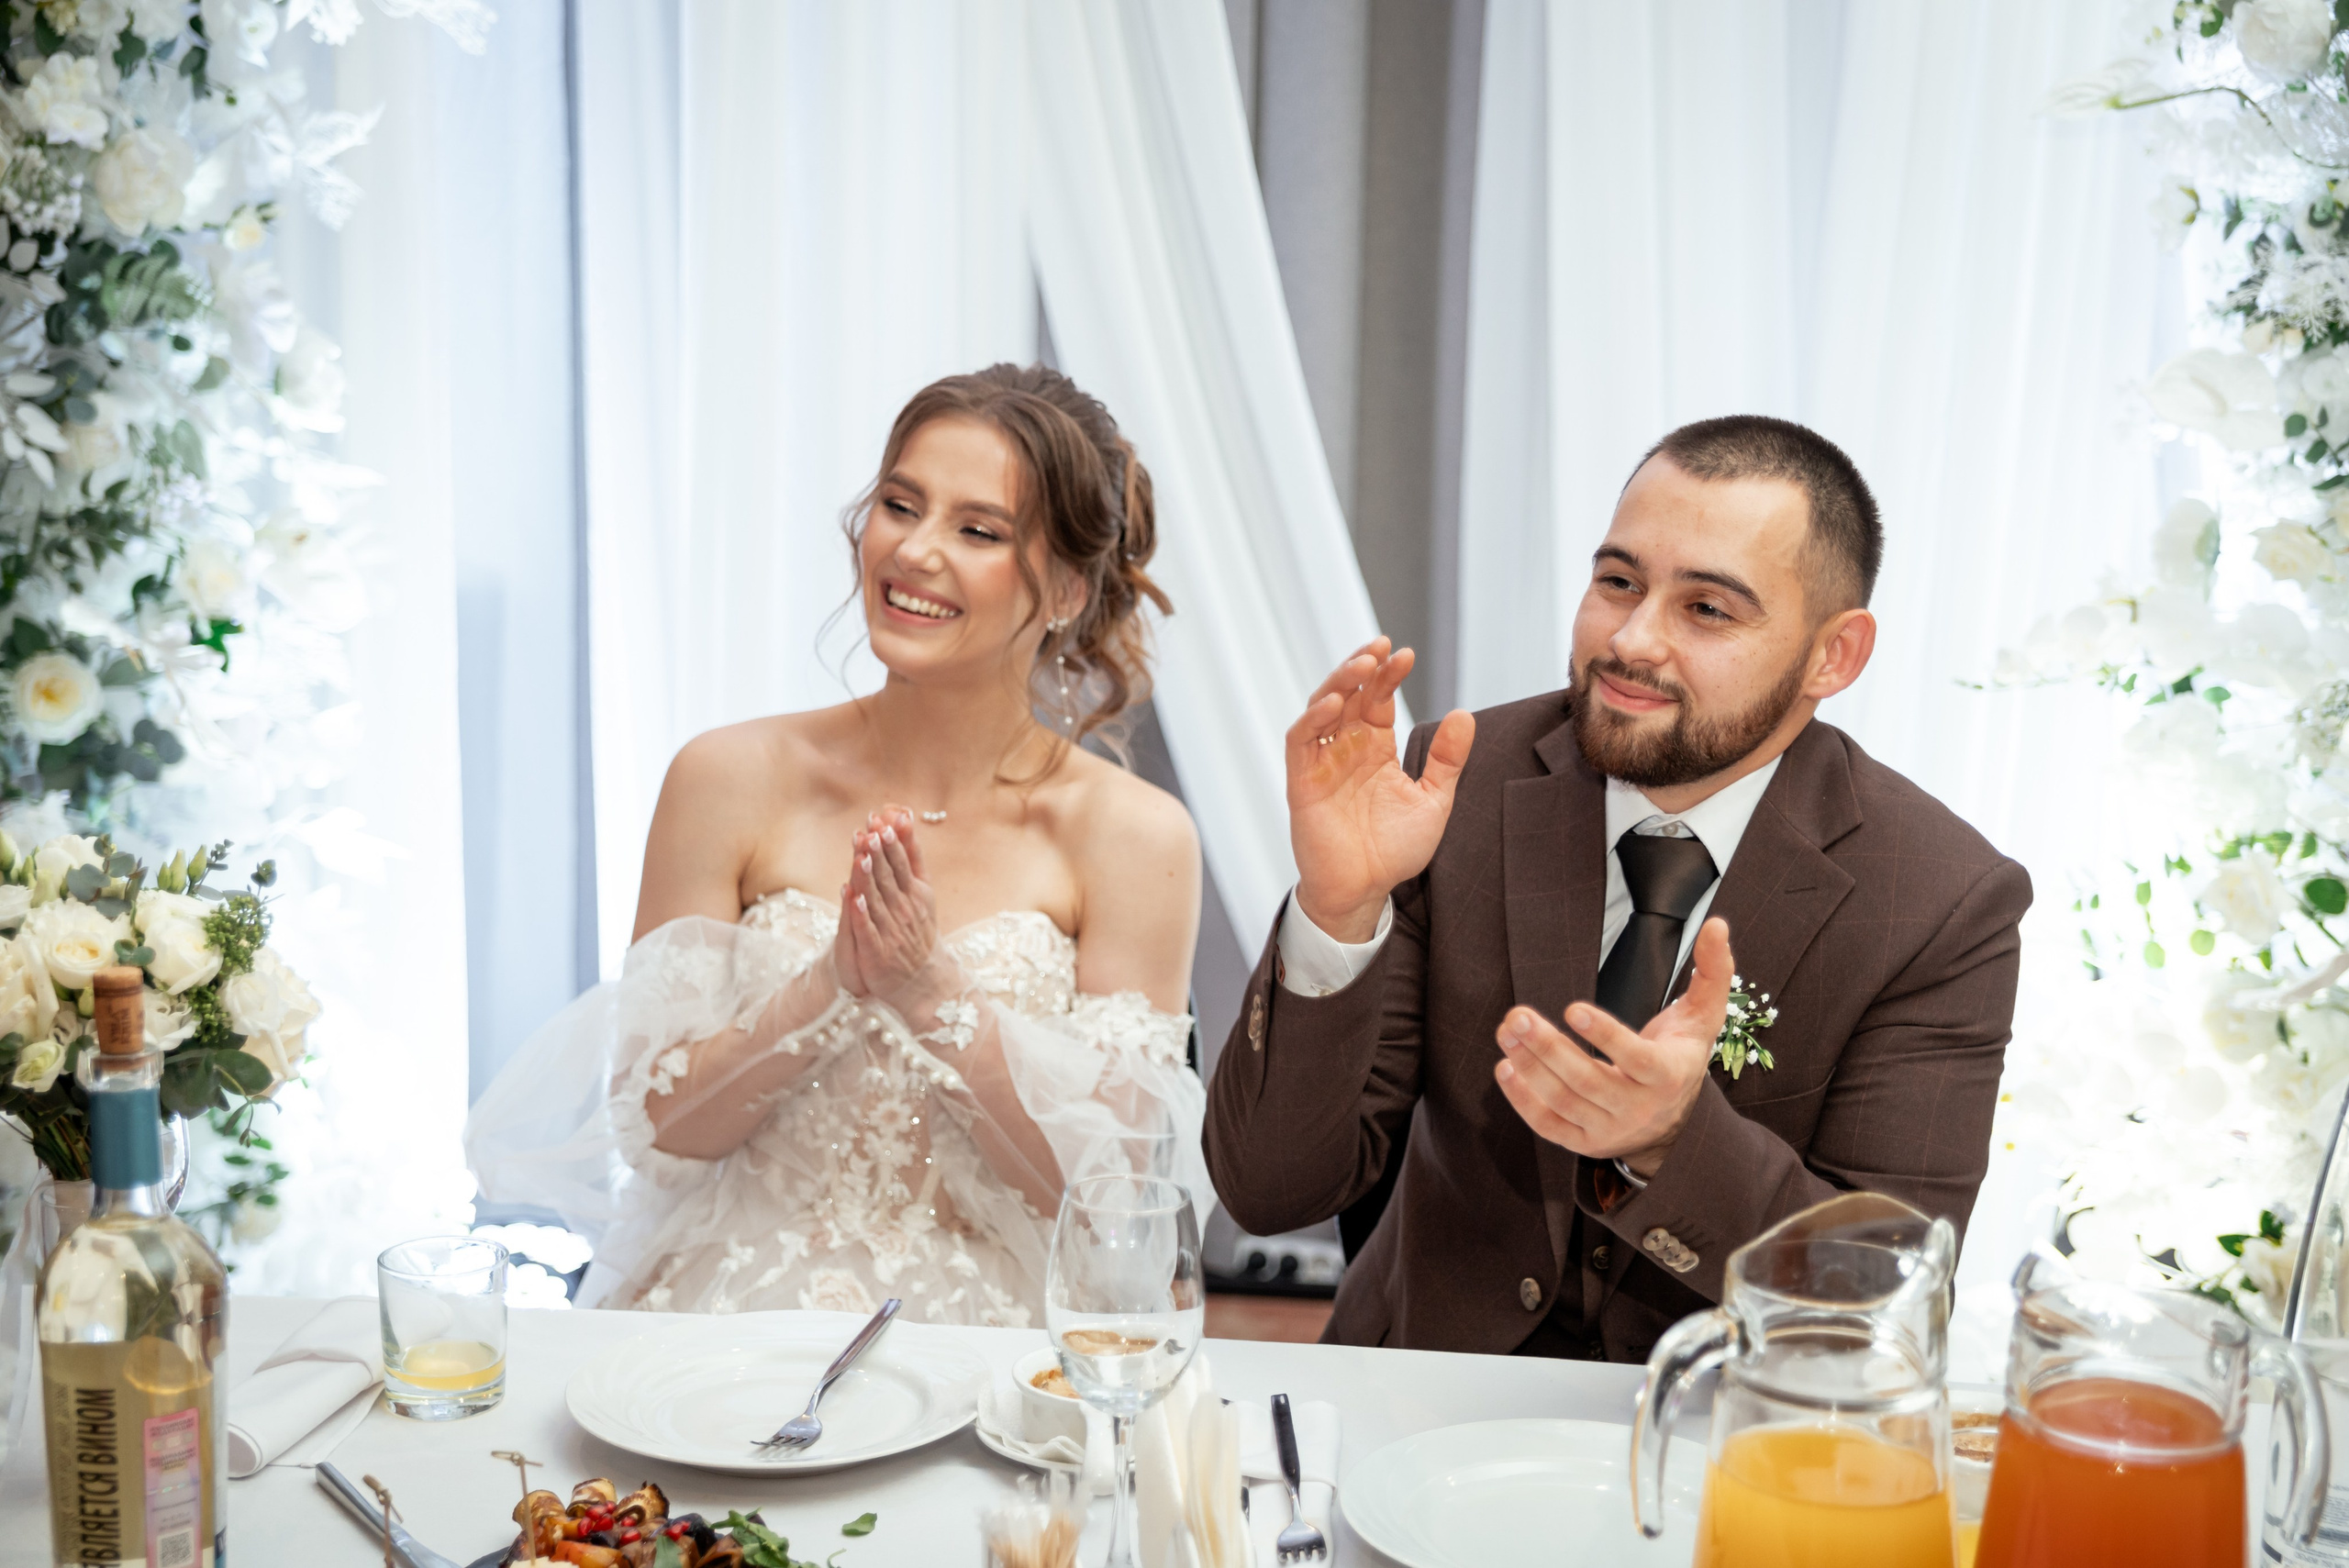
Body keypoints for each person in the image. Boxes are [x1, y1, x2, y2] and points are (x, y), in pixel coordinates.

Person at [1205, 415, 2030, 1361]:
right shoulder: (1459, 781)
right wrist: (1335, 909)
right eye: (1618, 582)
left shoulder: (1940, 900)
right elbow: (1268, 1192)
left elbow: (1887, 1303)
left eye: (1707, 609)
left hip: (1719, 1447)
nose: (1632, 640)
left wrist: (1673, 1141)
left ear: (1831, 656)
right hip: (1424, 1397)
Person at [468, 364, 1208, 1324]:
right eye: (901, 505)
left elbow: (1107, 1203)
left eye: (976, 530)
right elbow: (660, 1129)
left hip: (992, 1345)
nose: (915, 550)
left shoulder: (1132, 835)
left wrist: (932, 999)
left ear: (1066, 587)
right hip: (728, 1315)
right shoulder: (725, 776)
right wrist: (827, 988)